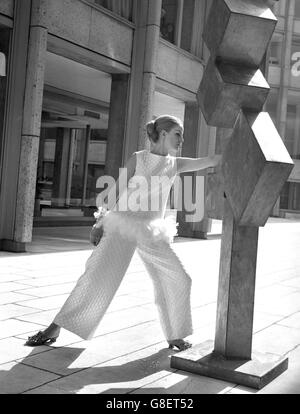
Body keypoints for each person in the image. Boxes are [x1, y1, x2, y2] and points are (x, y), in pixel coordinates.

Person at [25, 115, 221, 351]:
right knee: (96, 276)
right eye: (178, 134)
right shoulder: (138, 159)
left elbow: (209, 160)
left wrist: (235, 152)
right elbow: (114, 192)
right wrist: (99, 223)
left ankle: (175, 335)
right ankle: (54, 328)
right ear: (164, 134)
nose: (182, 139)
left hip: (152, 230)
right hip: (122, 225)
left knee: (179, 278)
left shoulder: (175, 164)